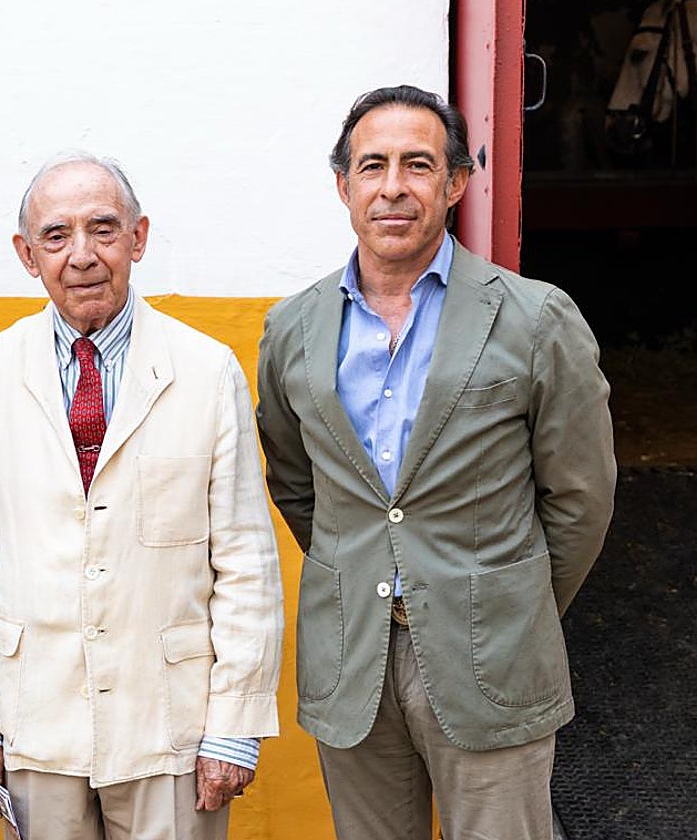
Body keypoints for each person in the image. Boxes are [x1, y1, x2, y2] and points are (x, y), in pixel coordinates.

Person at [255, 84, 618, 839]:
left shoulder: (535, 316)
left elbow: (580, 499)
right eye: (373, 166)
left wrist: (510, 604)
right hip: (351, 654)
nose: (393, 187)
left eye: (418, 165)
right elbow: (295, 483)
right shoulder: (292, 328)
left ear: (455, 182)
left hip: (494, 656)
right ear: (343, 186)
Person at [0, 152, 284, 839]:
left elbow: (245, 560)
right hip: (35, 715)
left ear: (139, 238)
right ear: (27, 255)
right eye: (56, 236)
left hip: (171, 722)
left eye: (104, 229)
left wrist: (235, 726)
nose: (83, 255)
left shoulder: (208, 370)